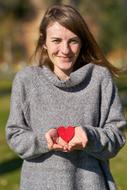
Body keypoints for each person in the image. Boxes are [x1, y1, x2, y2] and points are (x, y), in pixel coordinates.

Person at [6, 4, 126, 190]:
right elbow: (15, 135)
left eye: (73, 41)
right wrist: (45, 141)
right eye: (56, 40)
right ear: (44, 42)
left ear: (82, 42)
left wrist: (89, 136)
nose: (65, 50)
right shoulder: (26, 80)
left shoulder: (100, 79)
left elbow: (116, 137)